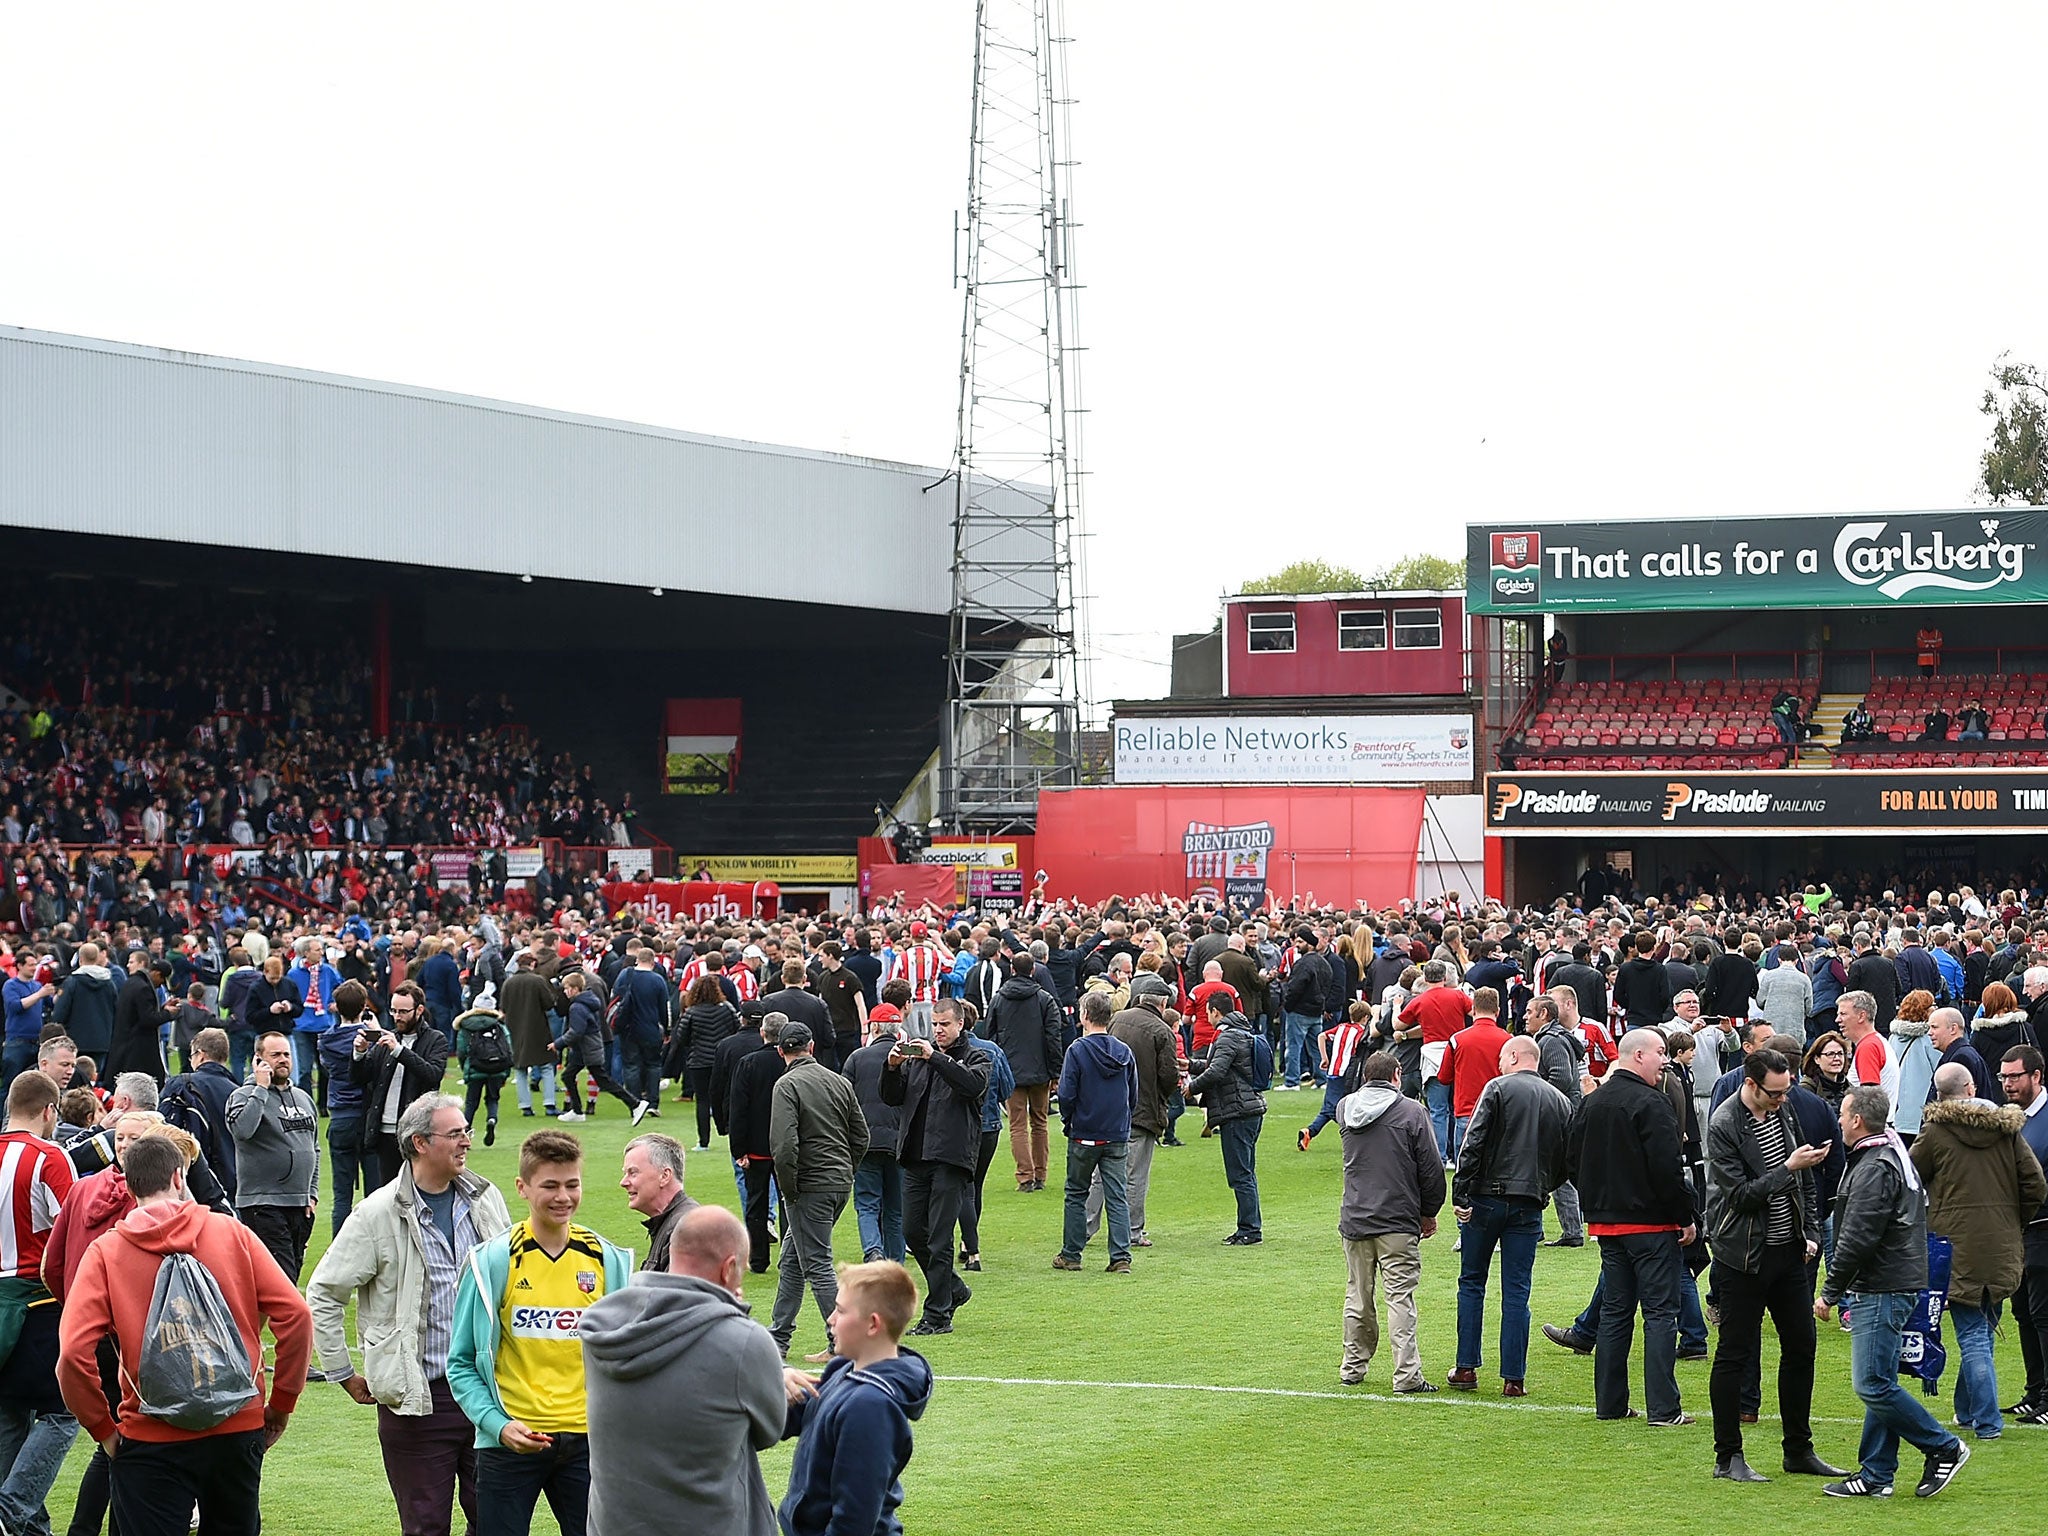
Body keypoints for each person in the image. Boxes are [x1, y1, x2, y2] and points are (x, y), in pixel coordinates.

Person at [55, 1133, 313, 1536]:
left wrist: (102, 1429)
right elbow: (295, 1314)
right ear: (180, 1177)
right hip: (236, 1422)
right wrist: (281, 1403)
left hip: (150, 1430)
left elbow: (72, 1353)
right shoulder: (232, 1233)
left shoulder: (107, 1253)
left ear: (127, 1182)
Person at [307, 1093, 512, 1536]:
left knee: (499, 1523)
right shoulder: (375, 1214)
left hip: (492, 1396)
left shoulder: (486, 1197)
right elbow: (323, 1293)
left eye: (466, 1132)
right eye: (455, 1133)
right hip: (421, 1404)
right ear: (420, 1142)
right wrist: (342, 1373)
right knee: (425, 1527)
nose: (466, 1142)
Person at [447, 1130, 632, 1536]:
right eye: (549, 1185)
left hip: (588, 1444)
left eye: (572, 1184)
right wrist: (497, 1425)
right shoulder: (493, 1262)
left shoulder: (607, 1261)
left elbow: (625, 1357)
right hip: (511, 1441)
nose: (563, 1197)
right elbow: (460, 1363)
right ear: (523, 1188)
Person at [579, 1206, 801, 1536]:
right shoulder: (745, 1341)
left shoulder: (603, 1325)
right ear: (728, 1269)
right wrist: (732, 1313)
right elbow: (769, 1430)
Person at [1816, 1084, 1972, 1499]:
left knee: (1871, 1383)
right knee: (1881, 1378)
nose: (1839, 1120)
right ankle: (1876, 1473)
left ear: (1856, 1120)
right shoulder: (1888, 1154)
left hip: (1883, 1284)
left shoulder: (1874, 1164)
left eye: (1843, 1113)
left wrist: (1830, 1292)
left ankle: (1943, 1447)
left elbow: (1858, 1235)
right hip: (1894, 1280)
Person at [1701, 1047, 1842, 1483]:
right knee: (1735, 1354)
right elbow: (1740, 1196)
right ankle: (1728, 1458)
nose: (1783, 1099)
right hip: (1742, 1256)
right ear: (1750, 1084)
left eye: (1787, 1091)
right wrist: (1788, 1168)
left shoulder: (1785, 1111)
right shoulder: (1725, 1123)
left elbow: (1805, 1184)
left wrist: (1813, 1232)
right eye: (1775, 1093)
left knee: (1801, 1345)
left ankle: (1798, 1450)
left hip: (1788, 1252)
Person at [1566, 1026, 1697, 1427]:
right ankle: (1663, 1408)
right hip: (1651, 1225)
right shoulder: (1652, 1103)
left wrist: (1599, 1200)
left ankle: (1610, 1403)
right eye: (1660, 1052)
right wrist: (1685, 1216)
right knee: (1660, 1313)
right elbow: (1667, 1169)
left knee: (1616, 1313)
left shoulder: (1593, 1102)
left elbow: (1571, 1158)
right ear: (1638, 1055)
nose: (1665, 1060)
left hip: (1608, 1224)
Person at [1910, 1062, 2046, 1440]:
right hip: (2002, 1245)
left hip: (1955, 1247)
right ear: (1971, 1089)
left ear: (1938, 1094)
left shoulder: (1936, 1133)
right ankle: (1967, 1411)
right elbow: (2035, 1184)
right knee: (1982, 1329)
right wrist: (2012, 1221)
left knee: (1973, 1335)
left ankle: (1986, 1422)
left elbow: (1908, 1178)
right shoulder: (2007, 1132)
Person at [1449, 1036, 1569, 1396]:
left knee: (1472, 1282)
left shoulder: (1497, 1088)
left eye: (1503, 1058)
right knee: (1517, 1290)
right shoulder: (1560, 1101)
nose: (1500, 1064)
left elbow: (1474, 1142)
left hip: (1487, 1198)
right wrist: (1543, 1184)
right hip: (1529, 1201)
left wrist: (1461, 1191)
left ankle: (1466, 1368)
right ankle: (1513, 1378)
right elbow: (1568, 1158)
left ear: (1515, 1056)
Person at [776, 1259, 932, 1536]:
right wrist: (771, 1382)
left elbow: (854, 1519)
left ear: (873, 1325)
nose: (830, 1319)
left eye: (840, 1310)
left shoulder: (870, 1407)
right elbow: (790, 1417)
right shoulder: (843, 1369)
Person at [1333, 1053, 1444, 1390]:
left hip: (1355, 1215)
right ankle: (1407, 1374)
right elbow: (1431, 1168)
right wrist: (1429, 1211)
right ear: (1397, 1075)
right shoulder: (1412, 1111)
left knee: (1358, 1297)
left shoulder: (1344, 1108)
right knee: (1399, 1299)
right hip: (1397, 1218)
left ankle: (1353, 1367)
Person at [880, 997, 990, 1336]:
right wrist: (893, 1067)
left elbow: (972, 1086)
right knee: (913, 1231)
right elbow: (892, 1097)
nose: (938, 1030)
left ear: (960, 1024)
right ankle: (952, 1288)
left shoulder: (977, 1056)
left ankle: (938, 1315)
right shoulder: (920, 1059)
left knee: (941, 1238)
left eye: (944, 1024)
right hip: (916, 1154)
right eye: (935, 1025)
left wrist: (935, 1057)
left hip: (951, 1156)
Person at [0, 1070, 77, 1536]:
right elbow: (73, 1232)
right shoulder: (50, 1157)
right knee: (62, 1411)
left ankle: (27, 1528)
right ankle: (11, 1510)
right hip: (36, 1301)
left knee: (8, 1411)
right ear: (50, 1111)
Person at [769, 1022, 868, 1360]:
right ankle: (778, 1339)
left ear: (781, 1051)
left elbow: (783, 1146)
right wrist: (846, 1170)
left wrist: (789, 1189)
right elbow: (861, 1136)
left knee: (816, 1263)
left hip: (810, 1184)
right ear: (811, 1047)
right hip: (838, 1181)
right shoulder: (839, 1081)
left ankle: (844, 1341)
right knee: (793, 1261)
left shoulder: (786, 1085)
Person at [1052, 991, 1137, 1275]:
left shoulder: (1077, 1050)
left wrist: (1069, 1120)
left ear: (1084, 1016)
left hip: (1085, 1132)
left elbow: (1066, 1093)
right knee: (1117, 1194)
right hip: (1116, 1132)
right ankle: (1120, 1256)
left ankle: (1072, 1254)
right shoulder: (1123, 1051)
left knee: (1076, 1192)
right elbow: (1132, 1093)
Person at [226, 1029, 320, 1282]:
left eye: (286, 1054)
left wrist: (312, 1193)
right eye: (275, 1054)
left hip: (300, 1206)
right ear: (258, 1059)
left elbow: (315, 1148)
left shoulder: (303, 1098)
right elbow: (242, 1130)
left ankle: (252, 1323)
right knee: (283, 1283)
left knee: (285, 1281)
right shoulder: (242, 1096)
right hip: (263, 1204)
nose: (283, 1060)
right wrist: (260, 1088)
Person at [1092, 985, 1178, 1251]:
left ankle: (1083, 1226)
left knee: (1099, 1173)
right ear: (1162, 1004)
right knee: (1135, 1174)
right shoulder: (1162, 1030)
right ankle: (1131, 1230)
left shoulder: (1118, 1019)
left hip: (1109, 1108)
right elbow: (1168, 1076)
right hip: (1142, 1109)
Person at [355, 981, 454, 1188]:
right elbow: (360, 1078)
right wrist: (360, 1052)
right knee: (387, 1196)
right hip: (384, 1132)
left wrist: (399, 1050)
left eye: (403, 1011)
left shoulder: (436, 1039)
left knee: (419, 1192)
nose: (397, 1016)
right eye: (393, 1010)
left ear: (419, 1010)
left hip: (417, 1132)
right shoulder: (387, 1039)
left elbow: (432, 1075)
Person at [1186, 997, 1268, 1245]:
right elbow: (1224, 1066)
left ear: (1214, 1012)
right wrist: (1190, 1064)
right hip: (1249, 1108)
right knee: (1246, 1172)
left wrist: (1191, 1088)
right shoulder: (1241, 1032)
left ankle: (1250, 1230)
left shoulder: (1227, 1036)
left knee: (1240, 1174)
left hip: (1238, 1112)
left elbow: (1217, 1072)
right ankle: (1249, 1225)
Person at [985, 952, 1062, 1193]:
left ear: (1012, 969)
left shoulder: (999, 999)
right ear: (1033, 970)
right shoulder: (1044, 999)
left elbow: (990, 1035)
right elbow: (1053, 1037)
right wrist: (1056, 1071)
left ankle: (1025, 1176)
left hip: (1011, 1070)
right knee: (1039, 1122)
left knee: (1017, 1125)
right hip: (1039, 1070)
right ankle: (1040, 1174)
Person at [2000, 1043, 2048, 1424]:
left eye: (2015, 1076)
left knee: (2043, 1313)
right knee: (2023, 1313)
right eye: (2003, 1077)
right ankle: (2035, 1393)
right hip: (2016, 1233)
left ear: (2036, 1076)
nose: (2008, 1084)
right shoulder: (2011, 1118)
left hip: (2043, 1231)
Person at [727, 1014, 789, 1275]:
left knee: (756, 1203)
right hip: (786, 1145)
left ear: (762, 1032)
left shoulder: (749, 1064)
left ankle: (759, 1258)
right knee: (789, 1203)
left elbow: (738, 1109)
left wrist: (738, 1149)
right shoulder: (791, 1063)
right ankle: (789, 1258)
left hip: (757, 1147)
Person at [843, 1012, 906, 1264]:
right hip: (899, 1143)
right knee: (896, 1209)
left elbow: (844, 1101)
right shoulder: (906, 1059)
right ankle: (895, 1262)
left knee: (867, 1203)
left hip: (866, 1142)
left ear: (875, 1027)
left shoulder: (857, 1058)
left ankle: (873, 1250)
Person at [1526, 994, 1587, 1246]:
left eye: (1530, 1011)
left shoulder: (1550, 1041)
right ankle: (1550, 1229)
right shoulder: (1555, 1037)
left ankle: (1571, 1231)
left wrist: (1540, 1102)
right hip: (1565, 1112)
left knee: (1555, 1171)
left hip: (1559, 1116)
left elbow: (1560, 1077)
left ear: (1544, 1014)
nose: (1525, 1015)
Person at [957, 1012, 1014, 1271]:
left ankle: (970, 1247)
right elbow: (1007, 1088)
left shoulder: (954, 1052)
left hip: (963, 1126)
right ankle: (968, 1244)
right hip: (989, 1126)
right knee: (974, 1186)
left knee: (964, 1188)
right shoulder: (991, 1050)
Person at [553, 971, 647, 1126]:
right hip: (585, 1048)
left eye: (567, 988)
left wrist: (558, 1043)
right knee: (569, 1076)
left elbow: (576, 1031)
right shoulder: (588, 1002)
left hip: (587, 1048)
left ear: (575, 989)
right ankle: (576, 1111)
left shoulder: (577, 1006)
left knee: (602, 1079)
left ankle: (635, 1104)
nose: (565, 991)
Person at [318, 979, 375, 1236]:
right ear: (364, 1006)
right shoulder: (370, 1038)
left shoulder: (326, 1041)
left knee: (341, 1195)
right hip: (366, 1117)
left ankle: (340, 1251)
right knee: (376, 1194)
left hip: (340, 1116)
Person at [159, 1026, 241, 1201]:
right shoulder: (240, 1092)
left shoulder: (181, 1085)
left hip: (195, 1181)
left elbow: (163, 1132)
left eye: (192, 1056)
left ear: (201, 1055)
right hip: (234, 1184)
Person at [1435, 988, 1511, 1168]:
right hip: (1498, 1112)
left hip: (1466, 1111)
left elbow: (1444, 1077)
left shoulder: (1457, 1040)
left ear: (1473, 1010)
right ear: (1498, 1011)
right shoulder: (1508, 1040)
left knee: (1465, 1170)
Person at [619, 1133, 699, 1274]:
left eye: (633, 1173)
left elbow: (679, 1295)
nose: (623, 1182)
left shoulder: (687, 1230)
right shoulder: (672, 1223)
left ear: (664, 1176)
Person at [608, 948, 671, 1116]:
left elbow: (615, 998)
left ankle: (635, 1102)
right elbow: (664, 1007)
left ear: (637, 960)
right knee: (653, 1065)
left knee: (631, 1066)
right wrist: (667, 1028)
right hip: (650, 1027)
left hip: (628, 1027)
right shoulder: (657, 980)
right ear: (653, 961)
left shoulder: (626, 976)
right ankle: (652, 1102)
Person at [1926, 1007, 1995, 1104]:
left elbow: (1959, 1108)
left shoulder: (1961, 1058)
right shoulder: (1961, 1053)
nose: (1929, 1033)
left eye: (1934, 1027)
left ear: (1953, 1029)